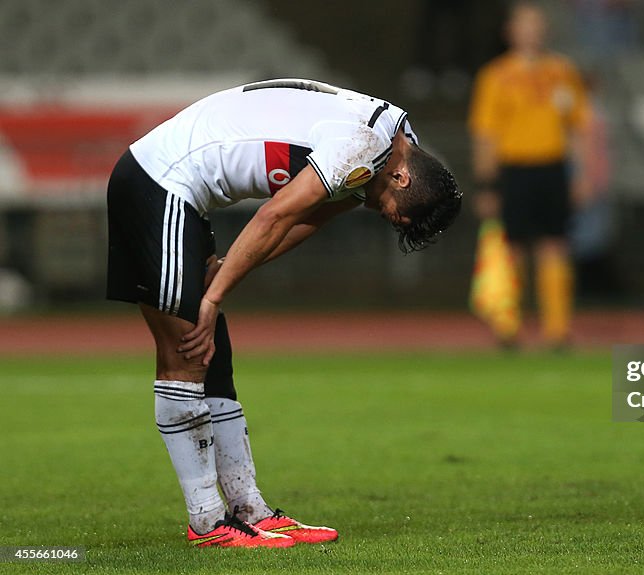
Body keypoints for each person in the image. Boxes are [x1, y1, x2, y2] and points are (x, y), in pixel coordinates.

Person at [106, 78, 461, 548]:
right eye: (393, 211)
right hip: (160, 181)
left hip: (182, 192)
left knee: (213, 356)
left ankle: (247, 509)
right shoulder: (364, 148)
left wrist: (228, 267)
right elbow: (275, 215)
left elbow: (306, 218)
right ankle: (207, 523)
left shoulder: (389, 148)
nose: (382, 213)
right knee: (188, 350)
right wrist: (213, 298)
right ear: (403, 178)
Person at [468, 2, 592, 348]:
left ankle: (557, 330)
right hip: (514, 169)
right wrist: (487, 184)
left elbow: (578, 128)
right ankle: (508, 327)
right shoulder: (494, 76)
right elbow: (485, 135)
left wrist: (580, 174)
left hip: (552, 167)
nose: (531, 31)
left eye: (536, 24)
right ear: (510, 31)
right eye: (525, 25)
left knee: (555, 244)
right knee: (513, 248)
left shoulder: (563, 72)